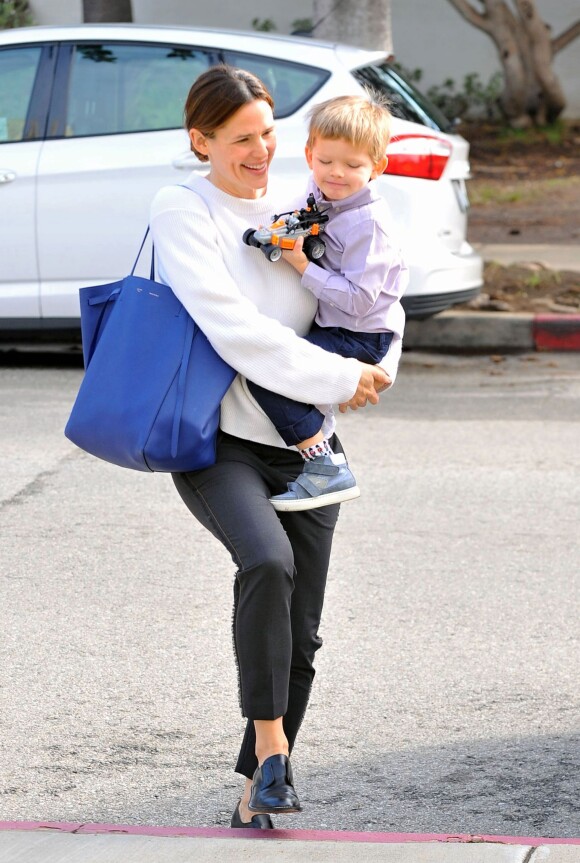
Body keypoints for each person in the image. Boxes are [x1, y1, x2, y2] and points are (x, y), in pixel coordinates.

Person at [149, 65, 402, 830]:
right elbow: (239, 331)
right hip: (215, 437)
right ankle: (271, 756)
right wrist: (339, 373)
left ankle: (259, 777)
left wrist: (375, 370)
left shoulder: (309, 207)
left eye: (268, 133)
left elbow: (379, 298)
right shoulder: (184, 207)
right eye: (241, 138)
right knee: (267, 562)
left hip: (305, 442)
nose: (262, 151)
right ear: (202, 140)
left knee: (305, 628)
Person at [247, 94, 407, 512]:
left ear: (377, 167)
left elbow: (359, 301)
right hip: (336, 327)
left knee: (272, 374)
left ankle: (324, 466)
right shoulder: (319, 193)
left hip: (358, 334)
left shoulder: (369, 225)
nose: (336, 174)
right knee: (290, 373)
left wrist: (303, 265)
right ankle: (320, 458)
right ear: (309, 154)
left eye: (353, 166)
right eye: (326, 161)